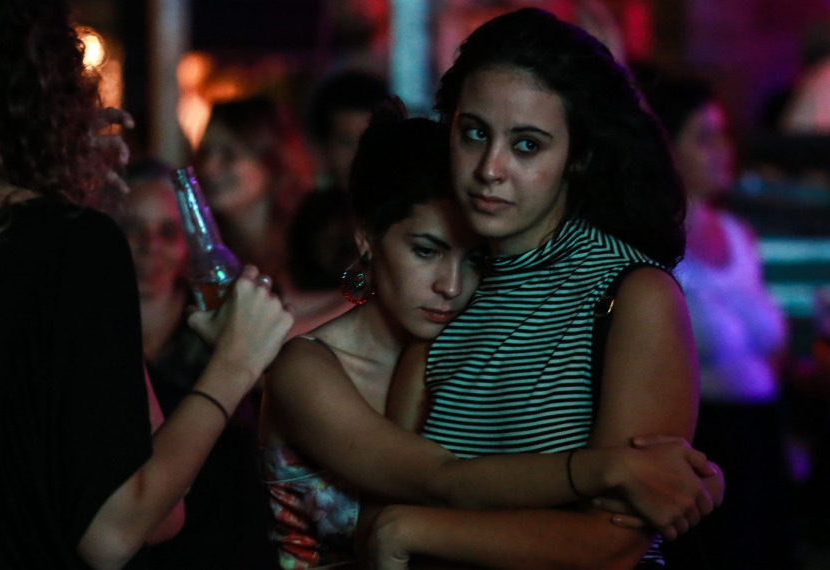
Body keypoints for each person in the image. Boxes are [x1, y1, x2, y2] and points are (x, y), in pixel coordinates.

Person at [260, 102, 721, 569]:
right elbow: (441, 479)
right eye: (426, 251)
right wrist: (612, 469)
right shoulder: (307, 367)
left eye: (475, 260)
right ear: (366, 238)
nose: (451, 285)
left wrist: (693, 479)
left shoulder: (475, 348)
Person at [364, 8, 722, 568]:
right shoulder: (449, 289)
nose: (490, 168)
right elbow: (397, 489)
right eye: (474, 133)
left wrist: (414, 531)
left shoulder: (630, 292)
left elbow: (615, 541)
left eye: (526, 145)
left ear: (577, 157)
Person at [0, 2, 292, 569]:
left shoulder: (285, 248)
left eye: (168, 232)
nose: (148, 246)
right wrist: (236, 360)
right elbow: (116, 531)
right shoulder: (71, 246)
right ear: (53, 100)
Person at [643, 72, 795, 570]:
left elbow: (769, 346)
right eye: (703, 137)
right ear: (668, 148)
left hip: (760, 439)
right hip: (704, 445)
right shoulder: (656, 247)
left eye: (723, 135)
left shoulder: (739, 236)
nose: (720, 150)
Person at [116, 158, 278, 569]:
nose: (149, 246)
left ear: (189, 244)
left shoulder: (216, 339)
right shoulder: (90, 342)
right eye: (133, 228)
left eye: (168, 232)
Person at [284, 70, 390, 335]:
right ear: (322, 148)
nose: (360, 155)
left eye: (370, 141)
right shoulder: (311, 216)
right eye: (345, 142)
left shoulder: (405, 214)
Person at [194, 95, 313, 284]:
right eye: (204, 152)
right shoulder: (196, 248)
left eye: (228, 155)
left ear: (272, 162)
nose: (208, 168)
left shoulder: (314, 240)